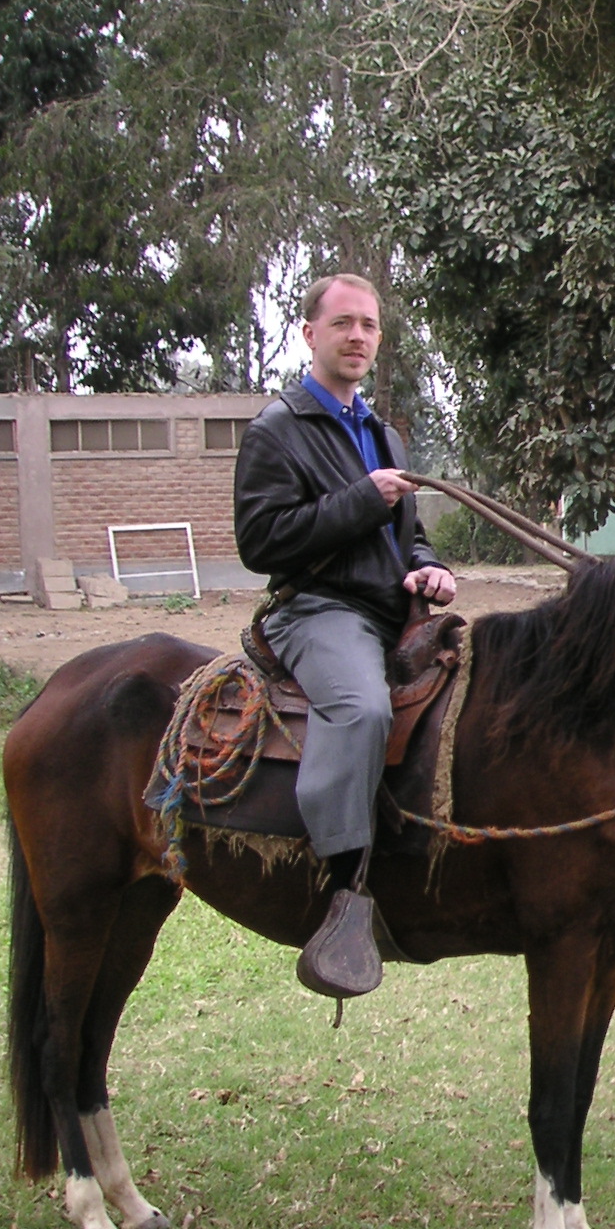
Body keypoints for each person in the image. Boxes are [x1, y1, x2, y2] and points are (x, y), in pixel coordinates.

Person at [234, 273, 456, 994]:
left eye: (369, 326)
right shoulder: (277, 428)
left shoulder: (381, 430)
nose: (357, 336)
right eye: (343, 324)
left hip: (391, 611)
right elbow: (261, 542)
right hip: (318, 611)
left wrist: (428, 570)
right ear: (310, 334)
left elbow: (409, 537)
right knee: (362, 708)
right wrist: (363, 500)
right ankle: (342, 888)